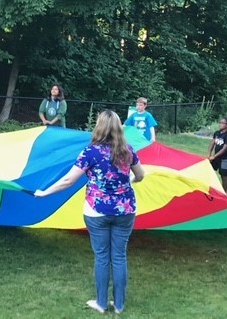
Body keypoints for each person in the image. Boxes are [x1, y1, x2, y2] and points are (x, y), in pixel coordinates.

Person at [35, 110, 145, 314]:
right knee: (119, 256)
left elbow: (69, 180)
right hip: (125, 210)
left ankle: (102, 304)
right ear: (119, 128)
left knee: (102, 256)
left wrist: (45, 193)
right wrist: (129, 180)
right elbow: (140, 175)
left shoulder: (91, 152)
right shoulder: (128, 151)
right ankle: (119, 305)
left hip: (97, 211)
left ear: (99, 127)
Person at [207, 117, 227, 193]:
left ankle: (224, 193)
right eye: (220, 122)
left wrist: (214, 156)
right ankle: (210, 189)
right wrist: (209, 155)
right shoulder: (217, 133)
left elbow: (224, 149)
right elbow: (212, 144)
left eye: (222, 123)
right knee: (209, 171)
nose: (220, 124)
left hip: (225, 159)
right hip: (216, 158)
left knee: (224, 176)